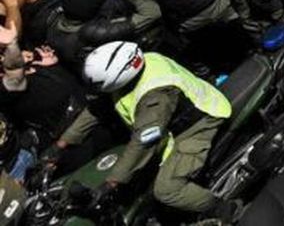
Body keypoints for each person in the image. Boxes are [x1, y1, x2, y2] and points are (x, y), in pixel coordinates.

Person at [47, 42, 239, 221]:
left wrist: (111, 183)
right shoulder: (135, 66)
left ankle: (225, 209)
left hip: (198, 125)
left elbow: (144, 142)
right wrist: (59, 147)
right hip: (172, 121)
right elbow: (97, 109)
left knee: (167, 190)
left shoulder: (154, 97)